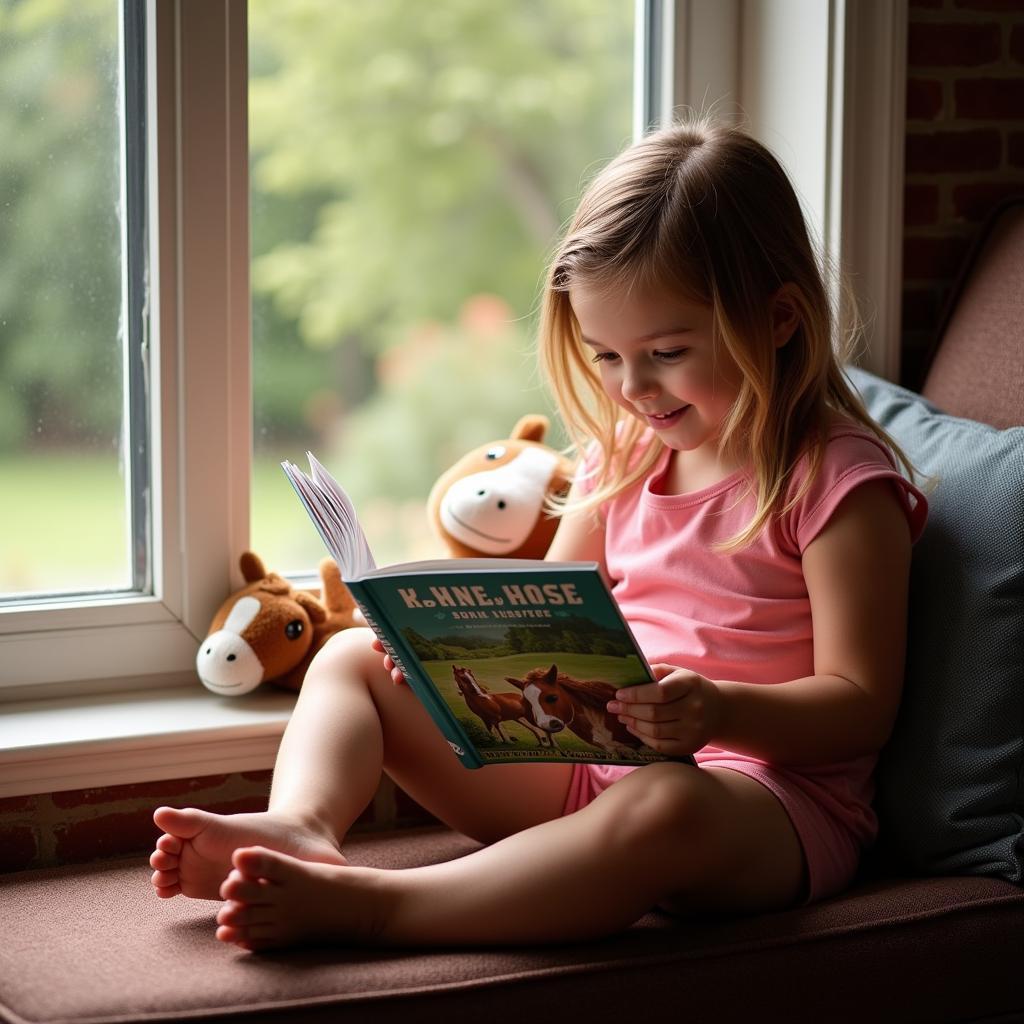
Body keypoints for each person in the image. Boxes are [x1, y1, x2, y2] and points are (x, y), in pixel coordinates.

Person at [149, 117, 927, 952]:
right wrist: (443, 653)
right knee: (346, 657)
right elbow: (551, 618)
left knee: (666, 803)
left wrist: (715, 712)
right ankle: (301, 827)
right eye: (606, 356)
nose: (634, 388)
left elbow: (860, 708)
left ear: (777, 318)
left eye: (666, 351)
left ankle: (382, 908)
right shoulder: (620, 460)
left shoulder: (837, 482)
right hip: (589, 759)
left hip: (761, 808)